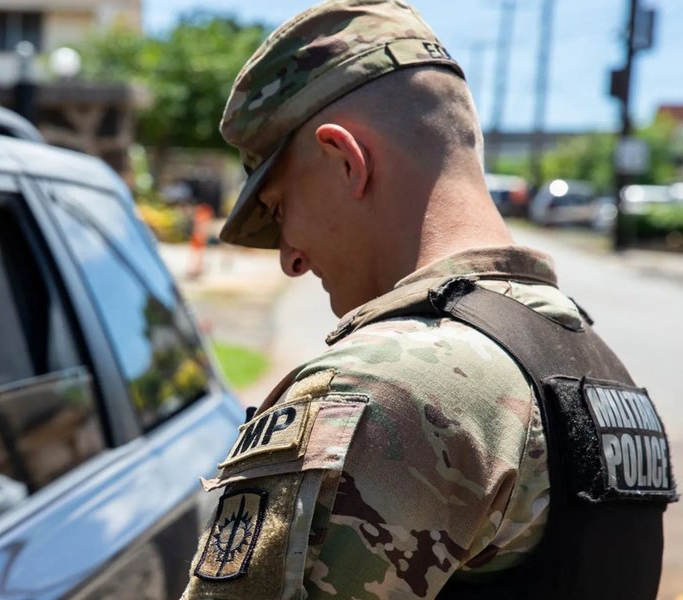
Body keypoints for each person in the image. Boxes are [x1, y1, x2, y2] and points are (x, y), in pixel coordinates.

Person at [182, 1, 676, 598]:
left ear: (346, 161)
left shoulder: (385, 387)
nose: (290, 258)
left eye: (280, 209)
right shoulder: (598, 370)